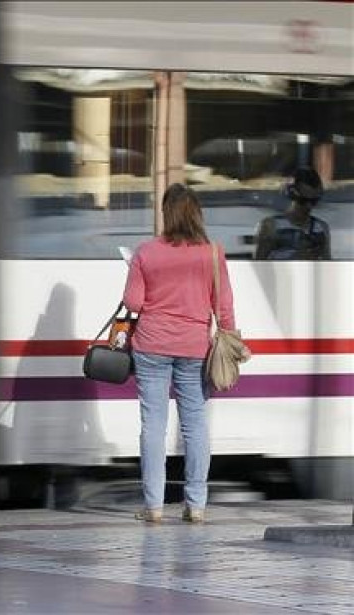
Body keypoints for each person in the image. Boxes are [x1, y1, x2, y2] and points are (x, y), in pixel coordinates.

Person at [122, 183, 237, 524]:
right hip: (193, 348)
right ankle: (196, 505)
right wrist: (230, 337)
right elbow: (224, 305)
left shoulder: (146, 252)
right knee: (195, 425)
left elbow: (133, 303)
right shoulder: (212, 252)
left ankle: (154, 507)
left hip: (151, 346)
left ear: (166, 213)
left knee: (153, 425)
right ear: (196, 213)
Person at [254, 167, 331, 260]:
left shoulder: (321, 228)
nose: (308, 206)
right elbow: (259, 264)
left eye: (313, 201)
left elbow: (328, 264)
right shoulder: (271, 226)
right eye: (303, 200)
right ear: (292, 196)